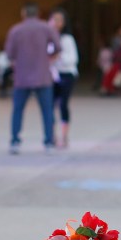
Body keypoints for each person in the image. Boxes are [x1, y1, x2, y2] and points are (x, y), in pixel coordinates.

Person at [5, 2, 61, 154]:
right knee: (47, 111)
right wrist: (48, 57)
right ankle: (49, 142)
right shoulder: (46, 28)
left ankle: (15, 141)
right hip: (42, 75)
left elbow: (9, 53)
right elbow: (58, 46)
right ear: (38, 13)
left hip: (22, 76)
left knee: (18, 110)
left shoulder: (16, 30)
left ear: (23, 13)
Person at [48, 8, 79, 148]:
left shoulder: (67, 39)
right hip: (51, 74)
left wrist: (57, 57)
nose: (56, 23)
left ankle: (64, 136)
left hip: (66, 74)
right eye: (54, 19)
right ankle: (51, 135)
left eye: (59, 20)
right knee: (49, 105)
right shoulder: (47, 38)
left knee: (63, 105)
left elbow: (72, 59)